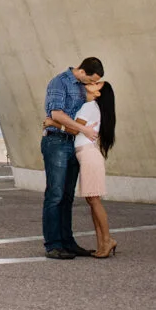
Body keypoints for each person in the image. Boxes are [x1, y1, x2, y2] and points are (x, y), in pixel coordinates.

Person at [45, 81, 117, 258]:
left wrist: (52, 123)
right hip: (88, 155)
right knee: (92, 201)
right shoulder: (94, 107)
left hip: (88, 156)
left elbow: (74, 129)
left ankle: (107, 240)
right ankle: (102, 243)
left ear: (99, 93)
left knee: (94, 200)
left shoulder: (89, 106)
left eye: (97, 84)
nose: (91, 84)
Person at [41, 57, 103, 260]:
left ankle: (68, 241)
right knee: (56, 194)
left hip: (72, 142)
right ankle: (53, 244)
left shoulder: (81, 88)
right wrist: (83, 128)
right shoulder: (60, 82)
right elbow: (56, 113)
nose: (91, 85)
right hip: (57, 143)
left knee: (68, 196)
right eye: (90, 80)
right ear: (83, 71)